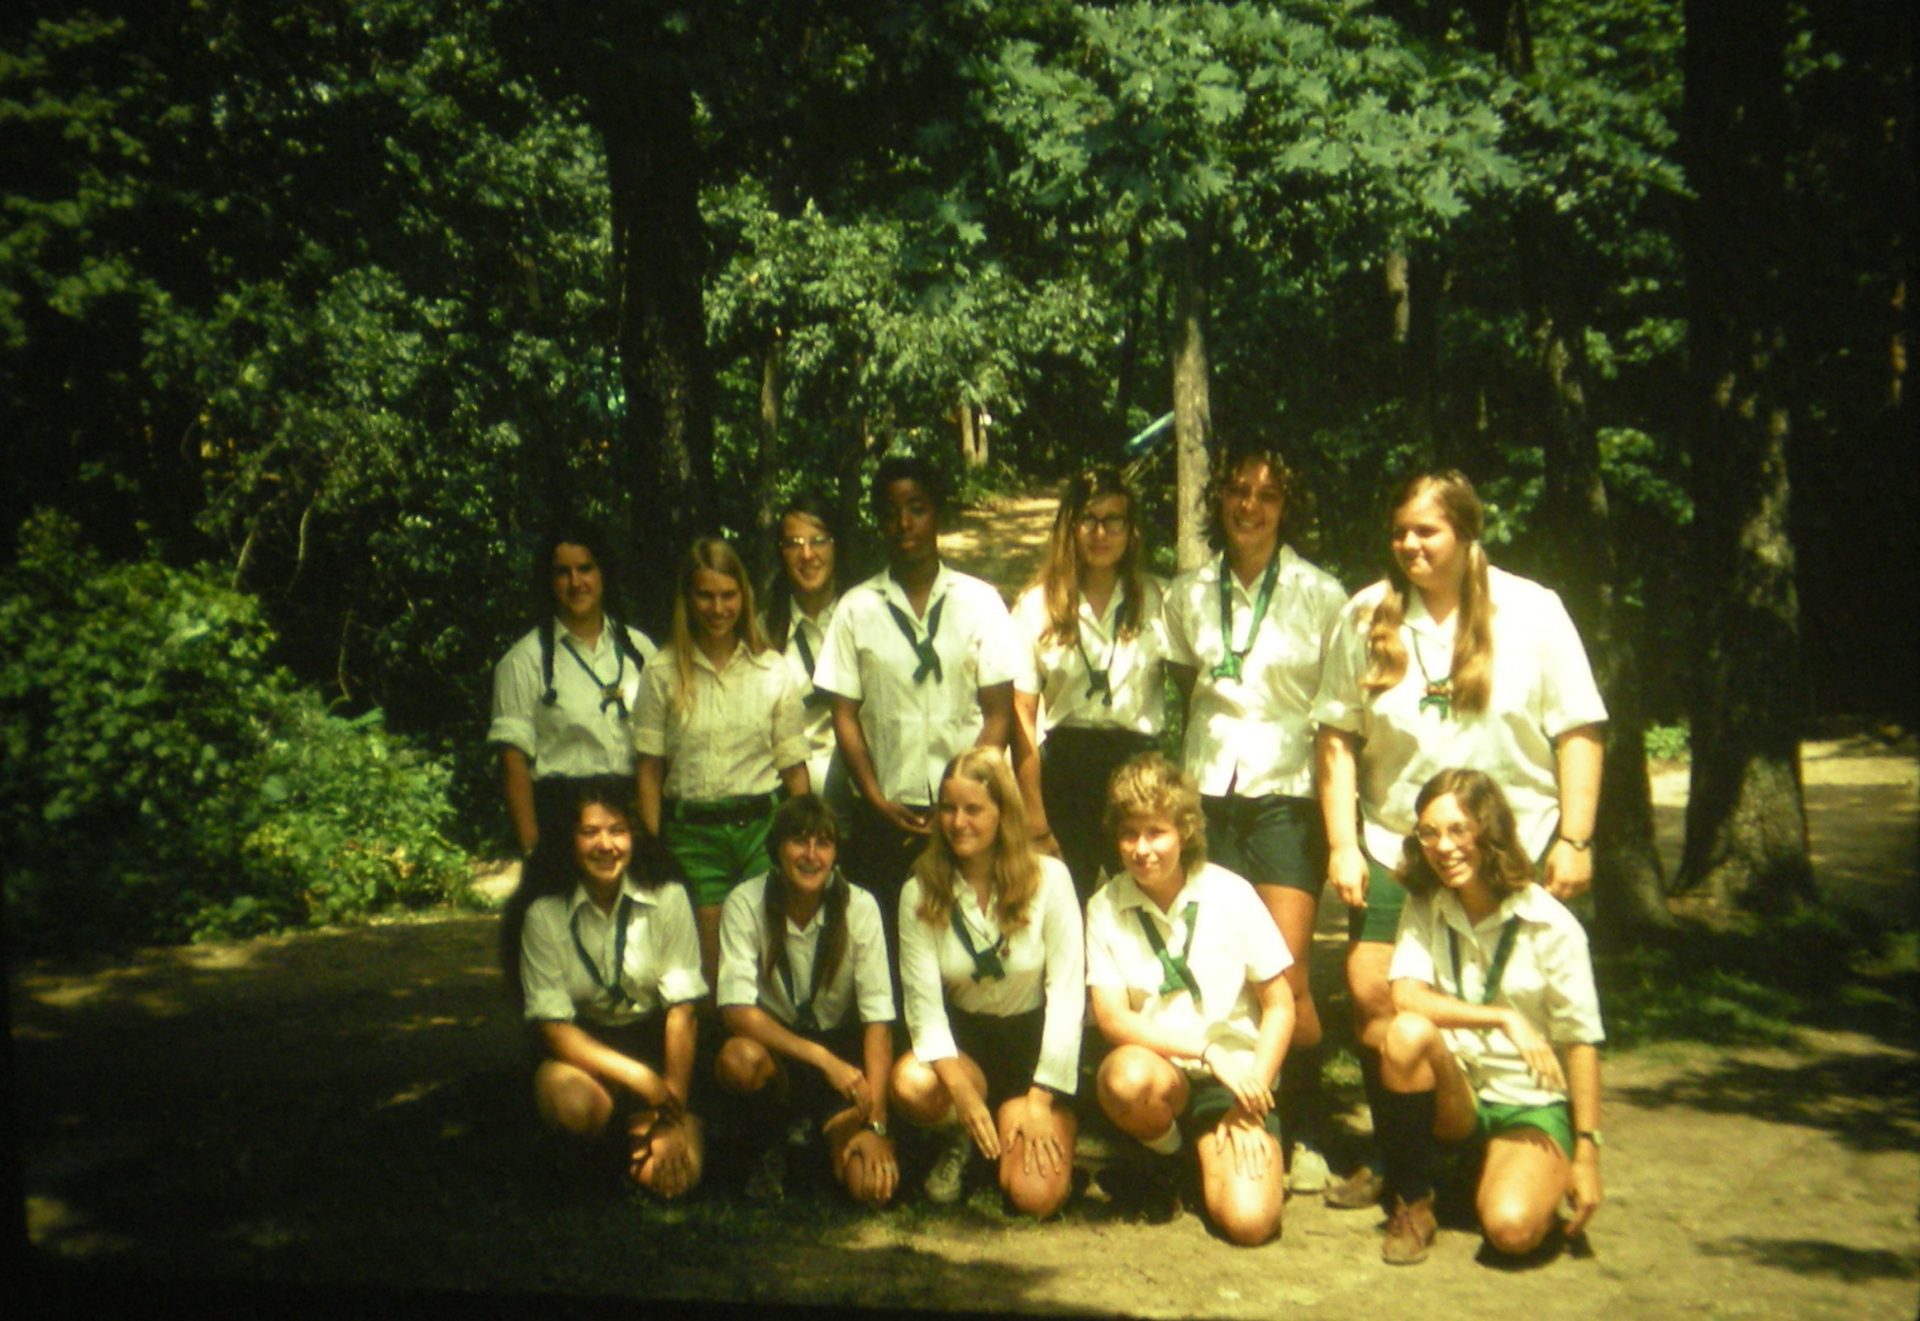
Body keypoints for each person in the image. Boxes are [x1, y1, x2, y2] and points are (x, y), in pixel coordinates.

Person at [1314, 469, 1606, 1210]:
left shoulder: (1534, 612)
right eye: (1399, 531)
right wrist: (1344, 844)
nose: (1409, 545)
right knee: (1374, 993)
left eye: (1428, 531)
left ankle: (1515, 1138)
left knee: (1517, 991)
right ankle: (1401, 1157)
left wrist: (1574, 836)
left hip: (1513, 839)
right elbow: (1337, 737)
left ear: (1468, 533)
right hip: (1398, 842)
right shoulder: (1365, 615)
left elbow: (1579, 727)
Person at [1160, 440, 1348, 1193]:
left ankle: (1305, 1125)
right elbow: (1184, 686)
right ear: (1221, 499)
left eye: (1267, 494)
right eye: (1238, 490)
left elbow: (1337, 713)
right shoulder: (1188, 590)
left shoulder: (1322, 593)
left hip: (1285, 796)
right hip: (1208, 794)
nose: (1249, 504)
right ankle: (1225, 1116)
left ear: (1285, 505)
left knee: (1288, 975)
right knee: (1217, 967)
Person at [1369, 769, 1605, 1264]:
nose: (1443, 847)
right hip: (1459, 1097)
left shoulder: (1552, 925)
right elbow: (1406, 996)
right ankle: (1413, 1201)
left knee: (1511, 1232)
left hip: (1527, 1102)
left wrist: (1587, 1152)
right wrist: (1500, 1017)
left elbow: (1582, 1041)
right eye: (1428, 833)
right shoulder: (1425, 903)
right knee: (1406, 1034)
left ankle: (1501, 1177)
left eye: (1458, 830)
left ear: (1489, 831)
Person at [814, 454, 1023, 955]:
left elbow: (998, 712)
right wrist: (875, 798)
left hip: (965, 814)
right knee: (889, 942)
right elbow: (844, 715)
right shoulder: (856, 608)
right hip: (888, 814)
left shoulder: (980, 602)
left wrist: (965, 796)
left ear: (938, 515)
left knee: (964, 939)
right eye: (890, 512)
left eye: (916, 508)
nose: (903, 523)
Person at [1086, 753, 1295, 1246]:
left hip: (1238, 1080)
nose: (1142, 849)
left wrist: (1252, 1098)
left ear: (1184, 831)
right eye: (1129, 834)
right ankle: (1173, 1159)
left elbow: (1282, 1004)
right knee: (1124, 1077)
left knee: (1250, 1225)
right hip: (1162, 1074)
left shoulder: (1231, 893)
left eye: (1156, 832)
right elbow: (1111, 1018)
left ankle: (1209, 1157)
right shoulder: (1105, 905)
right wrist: (1205, 1051)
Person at [890, 747, 1084, 1215]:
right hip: (965, 1049)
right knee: (912, 1083)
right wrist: (960, 1093)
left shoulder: (1050, 880)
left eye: (974, 809)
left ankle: (1027, 1129)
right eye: (949, 809)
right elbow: (923, 1007)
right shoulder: (919, 889)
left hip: (1033, 1049)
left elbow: (1068, 992)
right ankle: (962, 1137)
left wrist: (1041, 1097)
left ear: (1003, 812)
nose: (959, 822)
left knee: (1035, 1200)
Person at [506, 779, 705, 1197]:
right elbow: (554, 1029)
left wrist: (670, 1114)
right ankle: (608, 1145)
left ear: (633, 836)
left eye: (617, 831)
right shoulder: (543, 914)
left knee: (675, 1183)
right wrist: (637, 1077)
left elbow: (682, 1013)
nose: (606, 845)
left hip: (657, 1042)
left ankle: (645, 1138)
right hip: (584, 1050)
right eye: (590, 832)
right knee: (575, 1109)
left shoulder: (668, 898)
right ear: (569, 840)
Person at [634, 537, 810, 991]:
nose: (717, 608)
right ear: (688, 599)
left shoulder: (771, 669)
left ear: (744, 598)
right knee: (713, 973)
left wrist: (808, 833)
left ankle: (772, 1059)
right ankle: (719, 1057)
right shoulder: (661, 671)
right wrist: (651, 845)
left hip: (760, 831)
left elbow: (793, 767)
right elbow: (650, 769)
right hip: (694, 836)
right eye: (706, 596)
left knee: (770, 961)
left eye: (728, 596)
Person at [713, 794, 899, 1206]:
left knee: (873, 1192)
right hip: (779, 1053)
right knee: (738, 1058)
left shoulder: (861, 907)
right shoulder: (745, 903)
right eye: (799, 841)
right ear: (777, 849)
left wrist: (877, 1123)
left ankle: (829, 1141)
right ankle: (769, 1146)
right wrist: (822, 1060)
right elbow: (736, 1012)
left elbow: (878, 1020)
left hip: (843, 1061)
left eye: (824, 843)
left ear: (835, 853)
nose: (811, 855)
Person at [1011, 466, 1169, 901]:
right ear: (1070, 527)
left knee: (1142, 906)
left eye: (1113, 520)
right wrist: (1035, 817)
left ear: (1131, 529)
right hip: (1066, 772)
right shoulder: (1037, 605)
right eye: (1089, 520)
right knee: (1062, 909)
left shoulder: (1158, 601)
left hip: (1137, 768)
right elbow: (1020, 715)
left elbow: (1193, 695)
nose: (1101, 533)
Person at [489, 524, 657, 866]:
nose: (576, 582)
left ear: (603, 573)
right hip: (562, 823)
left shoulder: (640, 652)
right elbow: (513, 766)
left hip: (631, 816)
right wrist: (533, 850)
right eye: (562, 572)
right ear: (549, 581)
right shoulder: (523, 662)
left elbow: (660, 749)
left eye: (585, 569)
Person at [762, 494, 851, 827]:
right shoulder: (762, 635)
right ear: (780, 553)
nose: (807, 554)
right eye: (793, 544)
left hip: (869, 799)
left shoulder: (865, 617)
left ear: (837, 546)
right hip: (794, 805)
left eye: (819, 541)